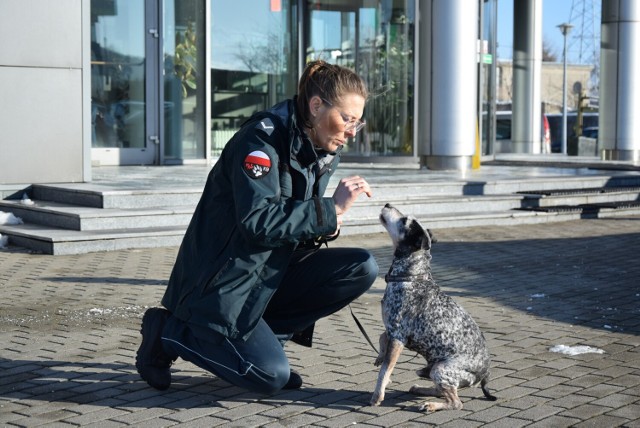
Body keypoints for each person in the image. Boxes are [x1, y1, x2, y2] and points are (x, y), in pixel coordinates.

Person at [135, 60, 379, 394]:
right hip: (219, 282)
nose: (351, 131)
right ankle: (169, 332)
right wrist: (330, 210)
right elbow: (258, 222)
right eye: (347, 119)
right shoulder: (261, 141)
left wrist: (329, 223)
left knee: (360, 267)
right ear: (316, 105)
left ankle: (266, 345)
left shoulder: (319, 149)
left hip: (265, 273)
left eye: (357, 122)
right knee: (269, 376)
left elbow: (296, 222)